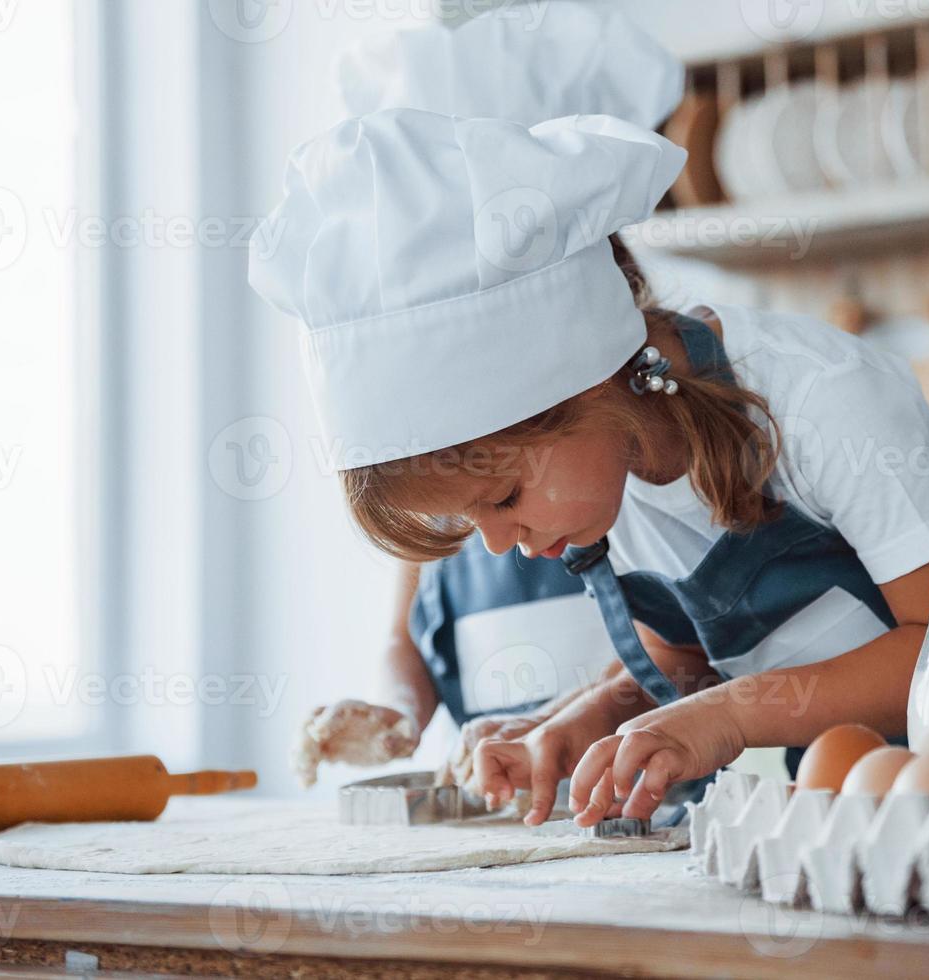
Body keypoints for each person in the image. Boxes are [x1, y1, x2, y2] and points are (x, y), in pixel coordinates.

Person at [251, 104, 929, 833]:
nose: (497, 543)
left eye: (504, 496)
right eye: (470, 520)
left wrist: (728, 717)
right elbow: (685, 652)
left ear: (584, 384)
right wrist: (575, 723)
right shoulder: (614, 464)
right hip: (872, 814)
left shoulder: (824, 400)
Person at [289, 1, 686, 789]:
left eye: (503, 496)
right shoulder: (452, 471)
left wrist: (563, 722)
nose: (498, 531)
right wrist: (397, 714)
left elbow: (679, 652)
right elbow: (404, 637)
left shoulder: (624, 452)